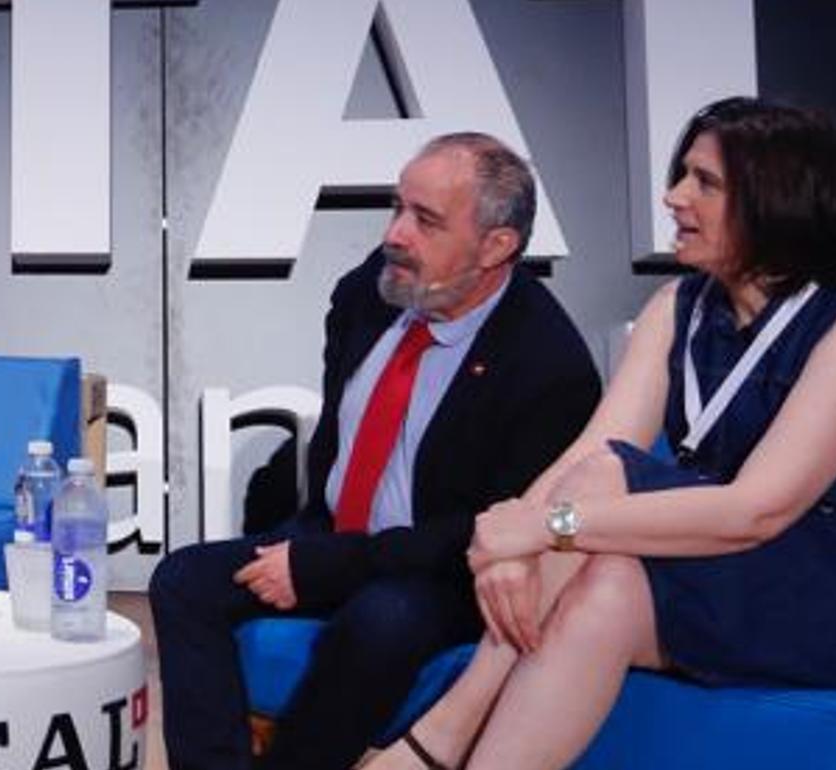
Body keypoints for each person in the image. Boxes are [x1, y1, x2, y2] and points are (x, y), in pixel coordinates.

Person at [362, 97, 836, 770]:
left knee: (603, 513)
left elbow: (756, 511)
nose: (674, 196)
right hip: (754, 563)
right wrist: (513, 542)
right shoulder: (676, 307)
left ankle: (436, 741)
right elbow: (594, 450)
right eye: (683, 175)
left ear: (775, 200)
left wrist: (544, 529)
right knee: (609, 573)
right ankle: (449, 745)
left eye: (705, 182)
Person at [149, 132, 601, 770]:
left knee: (382, 621)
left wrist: (325, 568)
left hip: (447, 571)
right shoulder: (376, 287)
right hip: (334, 533)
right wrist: (317, 548)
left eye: (426, 220)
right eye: (397, 207)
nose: (395, 234)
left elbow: (484, 530)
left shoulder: (548, 369)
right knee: (184, 581)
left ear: (496, 246)